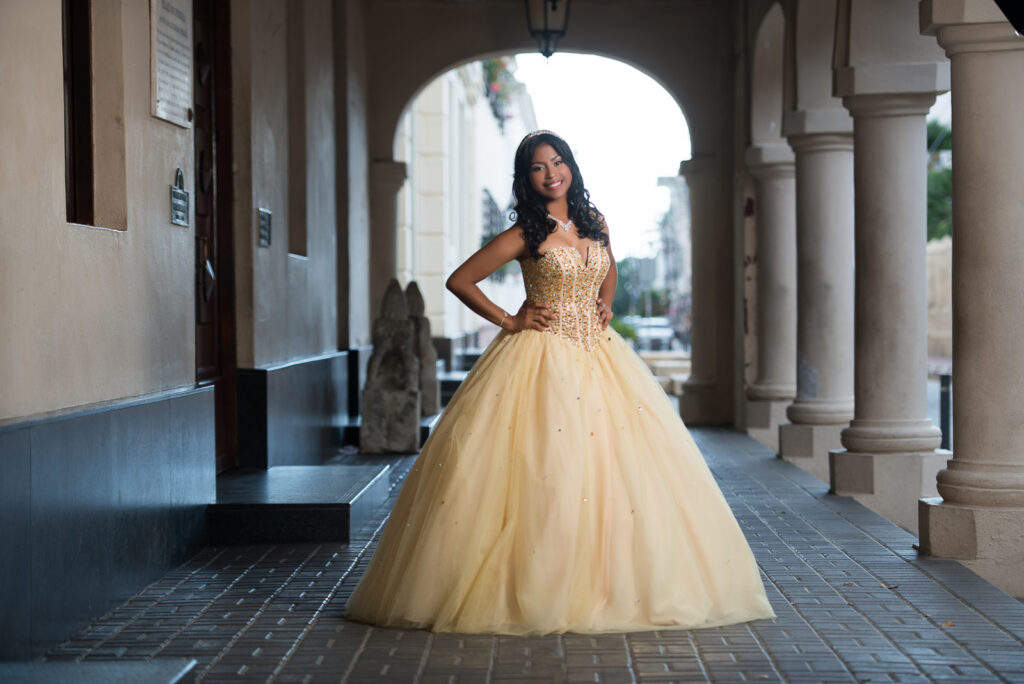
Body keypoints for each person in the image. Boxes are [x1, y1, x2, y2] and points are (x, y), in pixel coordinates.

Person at [344, 130, 775, 634]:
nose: (552, 173)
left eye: (558, 162)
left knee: (615, 471)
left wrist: (605, 302)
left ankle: (608, 586)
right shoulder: (527, 232)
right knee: (547, 468)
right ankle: (540, 587)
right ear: (526, 179)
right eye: (538, 167)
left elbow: (607, 269)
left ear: (571, 166)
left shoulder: (594, 221)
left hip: (601, 358)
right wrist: (510, 320)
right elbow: (460, 280)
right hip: (540, 357)